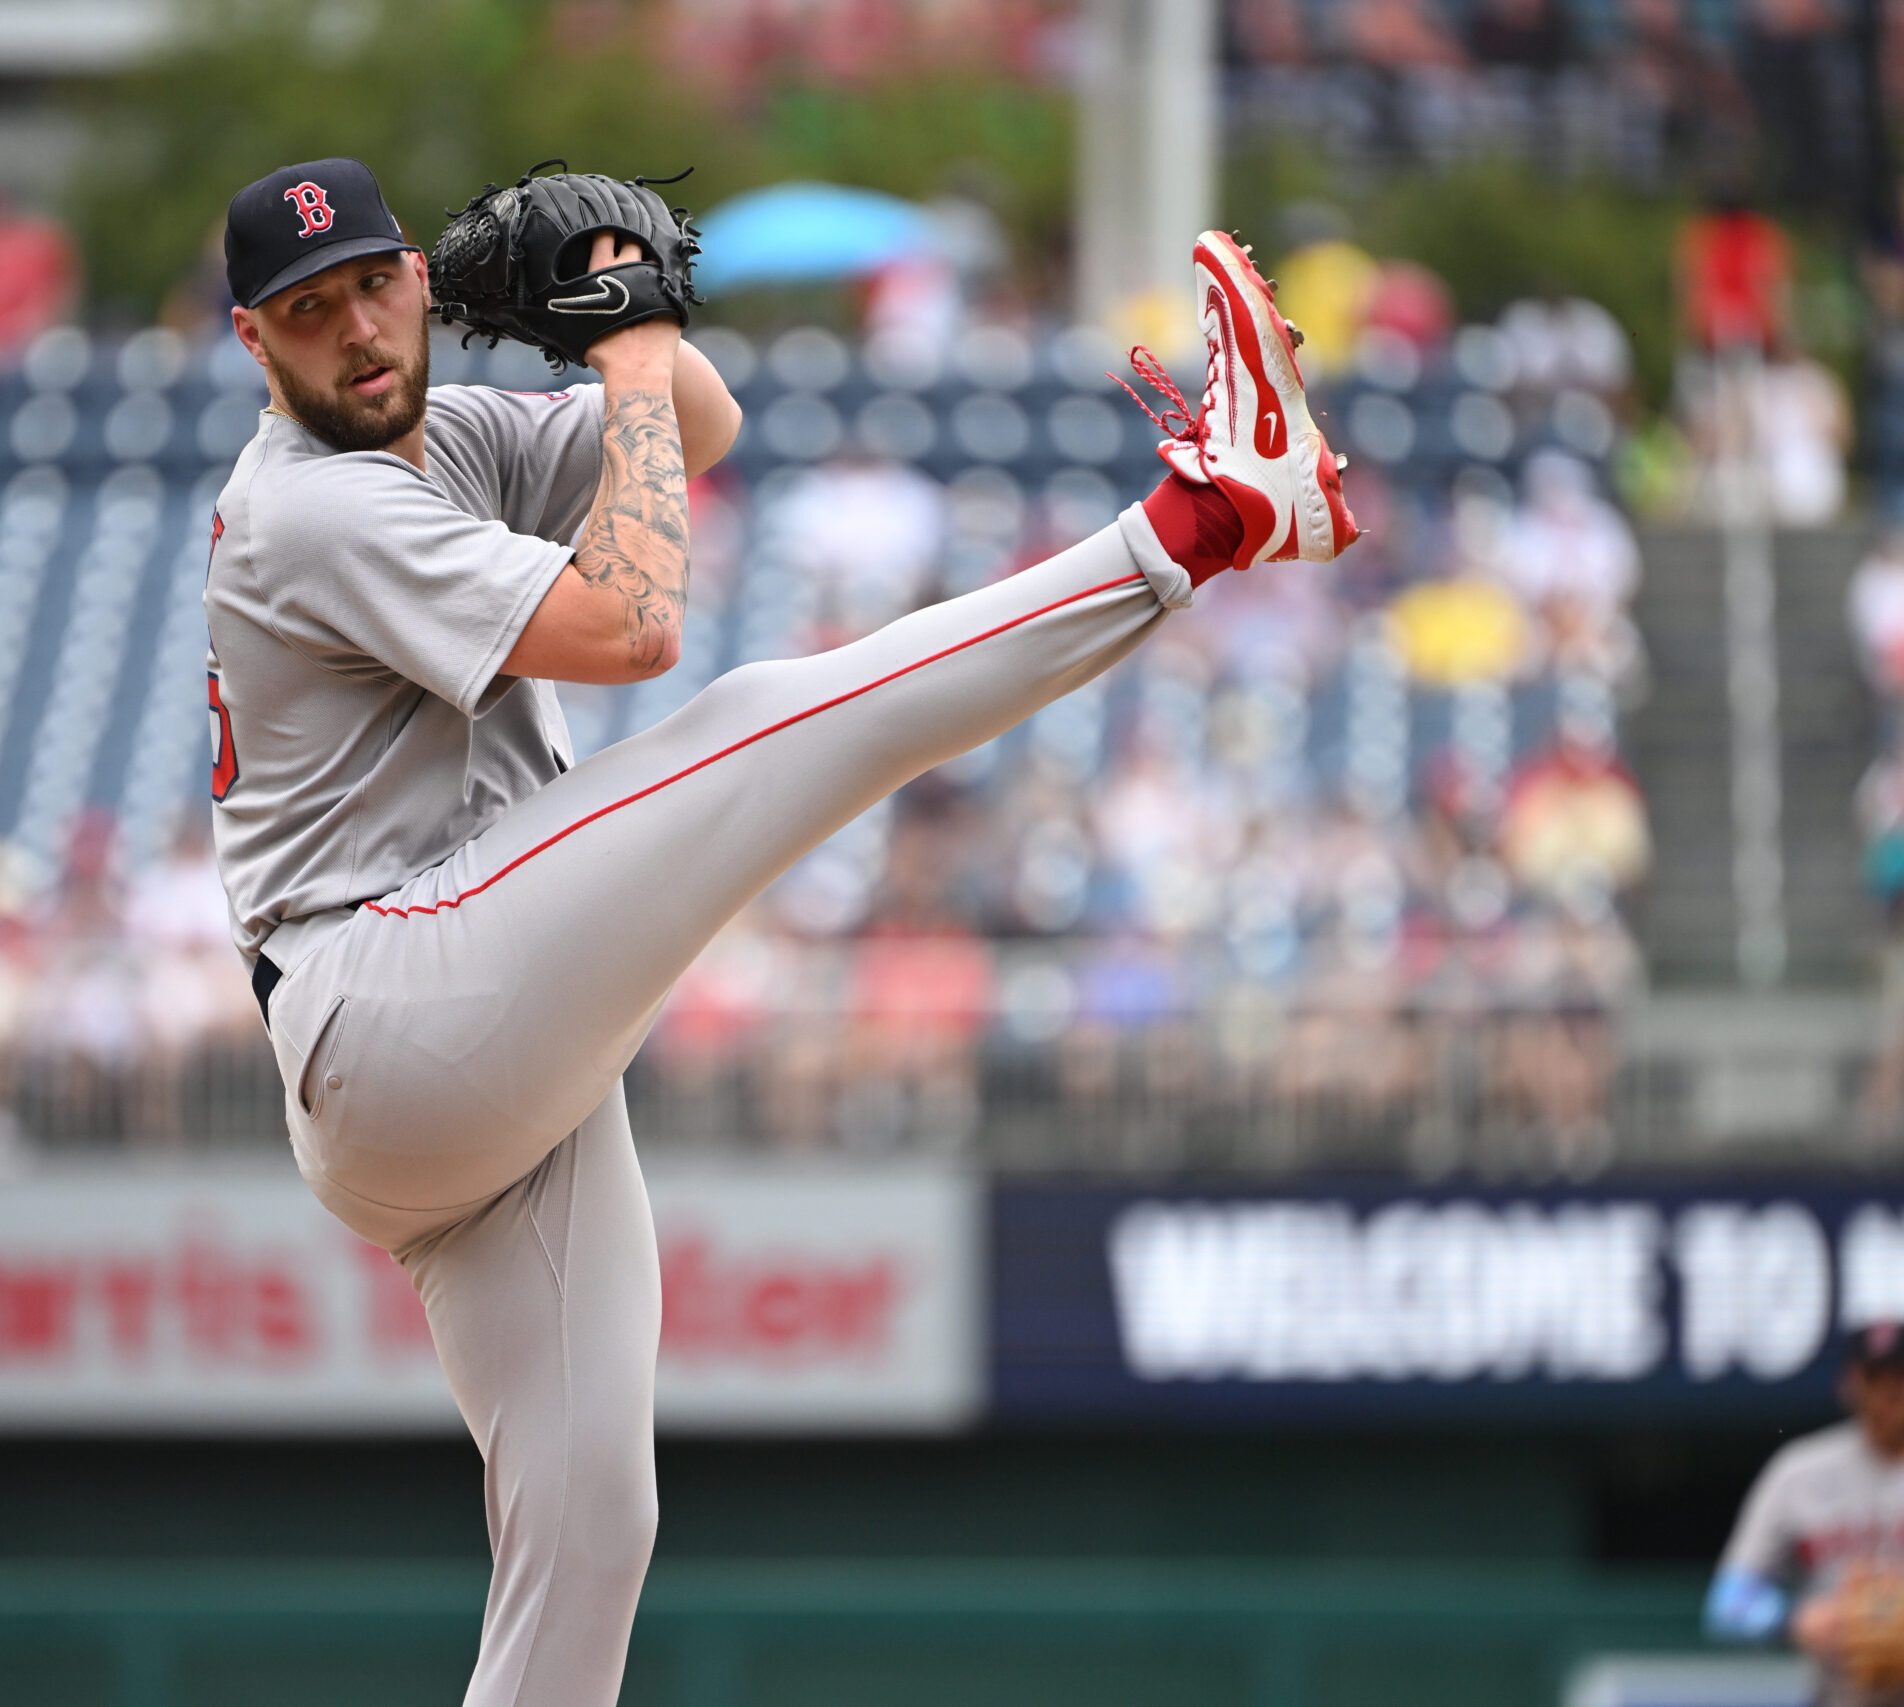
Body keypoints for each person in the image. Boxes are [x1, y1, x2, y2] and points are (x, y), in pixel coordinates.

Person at [202, 154, 1356, 1707]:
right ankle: (1205, 517)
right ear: (251, 342)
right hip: (388, 999)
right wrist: (617, 342)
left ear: (418, 281)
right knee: (755, 718)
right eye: (305, 308)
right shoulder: (310, 502)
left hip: (481, 1039)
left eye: (369, 287)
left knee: (593, 1524)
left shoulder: (446, 431)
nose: (348, 327)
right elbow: (635, 629)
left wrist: (625, 315)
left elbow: (706, 426)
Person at [1708, 1321, 1904, 1705]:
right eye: (1873, 1378)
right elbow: (1728, 1603)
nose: (1887, 1393)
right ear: (1848, 1384)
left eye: (1901, 1377)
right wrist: (1794, 1619)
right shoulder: (1797, 1472)